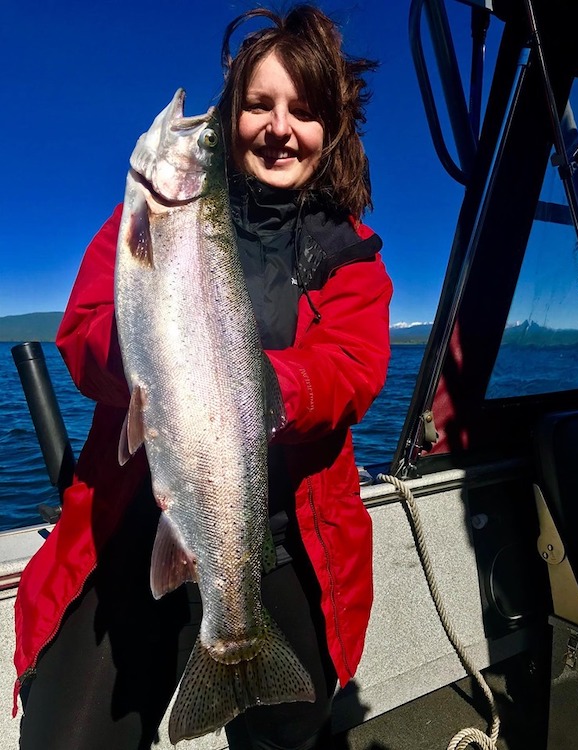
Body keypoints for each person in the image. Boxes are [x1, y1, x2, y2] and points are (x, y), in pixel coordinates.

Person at [14, 4, 392, 749]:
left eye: (304, 111)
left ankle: (235, 650)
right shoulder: (144, 223)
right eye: (258, 105)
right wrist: (146, 354)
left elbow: (351, 368)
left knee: (289, 726)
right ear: (234, 115)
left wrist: (253, 387)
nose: (280, 127)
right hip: (132, 517)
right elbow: (83, 333)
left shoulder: (352, 255)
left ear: (330, 131)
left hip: (283, 530)